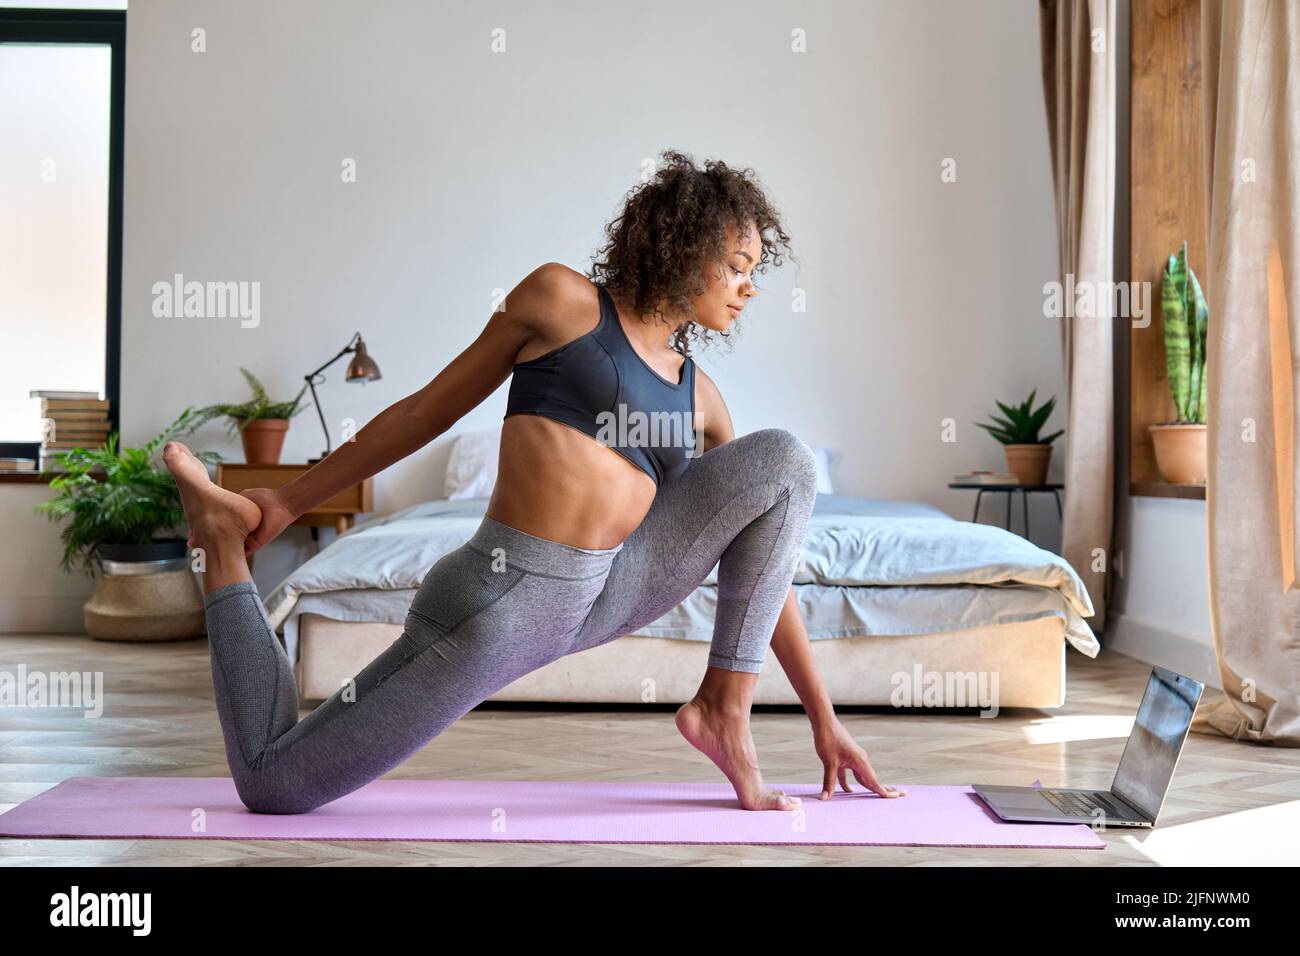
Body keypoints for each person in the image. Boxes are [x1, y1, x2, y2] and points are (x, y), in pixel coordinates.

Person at [163, 149, 907, 815]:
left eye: (754, 272)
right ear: (685, 246)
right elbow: (425, 410)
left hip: (606, 592)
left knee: (784, 464)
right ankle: (225, 549)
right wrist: (286, 504)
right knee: (272, 784)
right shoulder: (563, 303)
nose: (748, 288)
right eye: (738, 265)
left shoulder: (700, 396)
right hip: (499, 602)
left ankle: (723, 711)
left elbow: (763, 570)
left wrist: (824, 717)